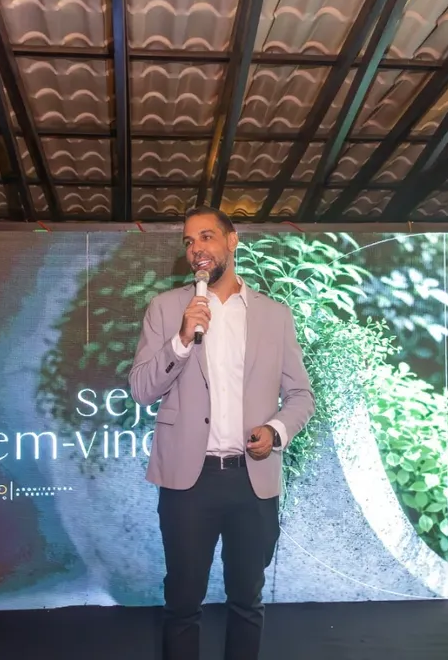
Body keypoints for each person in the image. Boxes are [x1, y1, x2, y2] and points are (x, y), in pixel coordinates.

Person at [129, 206, 315, 660]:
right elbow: (141, 390)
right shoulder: (166, 309)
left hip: (252, 481)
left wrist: (276, 429)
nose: (197, 249)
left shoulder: (275, 315)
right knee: (182, 602)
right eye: (189, 242)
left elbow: (301, 396)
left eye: (207, 237)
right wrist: (180, 340)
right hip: (188, 482)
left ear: (233, 241)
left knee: (247, 600)